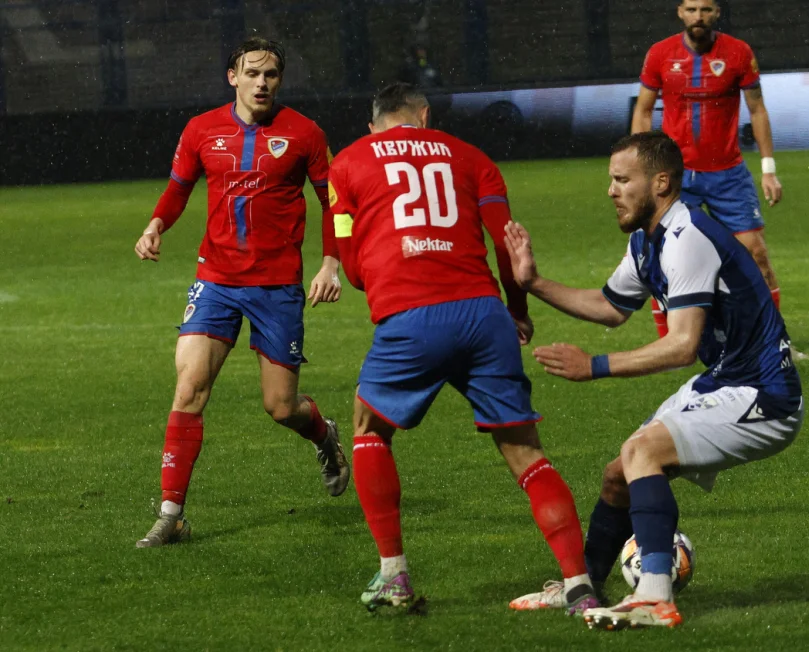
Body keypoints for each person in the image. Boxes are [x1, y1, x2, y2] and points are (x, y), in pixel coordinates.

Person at [505, 132, 803, 630]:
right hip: (727, 380)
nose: (611, 191)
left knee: (642, 451)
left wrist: (593, 366)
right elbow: (609, 308)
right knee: (619, 472)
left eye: (622, 180)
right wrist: (533, 283)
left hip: (765, 394)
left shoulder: (689, 239)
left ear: (660, 183)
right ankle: (583, 588)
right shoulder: (647, 240)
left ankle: (654, 595)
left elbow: (682, 345)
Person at [327, 83, 600, 614]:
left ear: (374, 124)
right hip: (483, 313)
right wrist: (516, 310)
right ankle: (579, 584)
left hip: (411, 318)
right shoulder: (473, 158)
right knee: (526, 453)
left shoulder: (350, 162)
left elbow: (353, 266)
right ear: (425, 116)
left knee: (368, 428)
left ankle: (393, 577)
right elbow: (506, 243)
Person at [133, 38, 347, 548]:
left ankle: (321, 432)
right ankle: (171, 515)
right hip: (217, 281)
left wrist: (332, 263)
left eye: (271, 74)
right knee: (189, 388)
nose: (262, 82)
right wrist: (157, 223)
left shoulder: (305, 134)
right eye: (252, 73)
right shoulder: (201, 129)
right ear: (233, 76)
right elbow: (180, 187)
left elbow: (334, 202)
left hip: (277, 287)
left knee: (280, 407)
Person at [631, 0, 799, 360]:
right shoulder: (660, 54)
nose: (698, 17)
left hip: (728, 173)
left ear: (717, 13)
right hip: (676, 176)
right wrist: (641, 170)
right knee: (665, 258)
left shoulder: (738, 53)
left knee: (756, 253)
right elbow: (643, 110)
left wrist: (768, 168)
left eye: (706, 9)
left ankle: (775, 343)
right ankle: (669, 344)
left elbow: (757, 109)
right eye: (691, 9)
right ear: (679, 12)